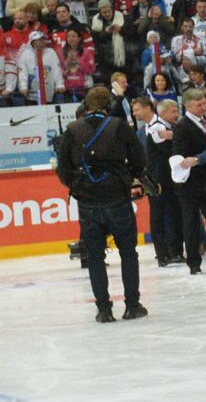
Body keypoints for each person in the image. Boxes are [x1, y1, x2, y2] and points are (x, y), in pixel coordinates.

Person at [54, 86, 147, 323]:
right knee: (128, 253)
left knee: (95, 257)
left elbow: (63, 168)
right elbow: (139, 159)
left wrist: (77, 188)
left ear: (86, 105)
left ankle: (103, 309)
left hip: (88, 201)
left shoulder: (72, 130)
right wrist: (129, 178)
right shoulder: (119, 126)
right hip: (117, 197)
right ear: (108, 105)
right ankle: (132, 305)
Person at [171, 86, 206, 274]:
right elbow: (179, 154)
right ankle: (193, 261)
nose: (203, 107)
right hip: (190, 181)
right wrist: (196, 160)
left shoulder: (205, 120)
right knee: (191, 221)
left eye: (204, 103)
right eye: (199, 105)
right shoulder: (182, 126)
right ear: (188, 106)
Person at [145, 97, 184, 267]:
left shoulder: (171, 128)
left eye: (177, 111)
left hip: (172, 180)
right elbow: (167, 147)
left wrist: (174, 135)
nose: (177, 114)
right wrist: (176, 137)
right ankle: (162, 254)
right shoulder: (157, 128)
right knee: (159, 217)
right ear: (163, 112)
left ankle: (175, 251)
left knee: (176, 215)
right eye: (173, 111)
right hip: (158, 181)